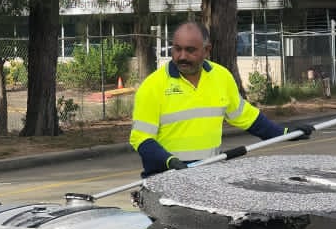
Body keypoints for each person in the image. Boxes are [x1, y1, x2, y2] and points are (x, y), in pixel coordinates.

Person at [129, 19, 302, 176]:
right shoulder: (153, 86)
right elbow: (141, 138)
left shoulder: (221, 77)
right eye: (177, 49)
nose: (182, 56)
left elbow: (245, 117)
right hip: (165, 177)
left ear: (207, 50)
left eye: (190, 50)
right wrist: (169, 162)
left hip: (209, 175)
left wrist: (284, 133)